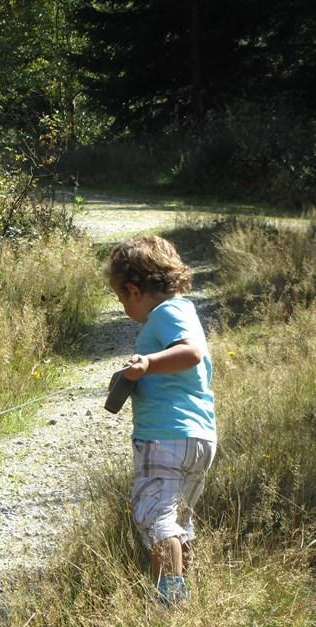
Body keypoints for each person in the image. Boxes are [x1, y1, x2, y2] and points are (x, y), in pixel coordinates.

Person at [105, 234, 217, 606]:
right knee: (178, 520)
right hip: (197, 438)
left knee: (156, 519)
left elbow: (191, 354)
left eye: (122, 299)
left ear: (134, 290)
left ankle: (169, 604)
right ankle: (183, 595)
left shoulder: (167, 313)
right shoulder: (182, 311)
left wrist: (148, 362)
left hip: (165, 437)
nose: (125, 308)